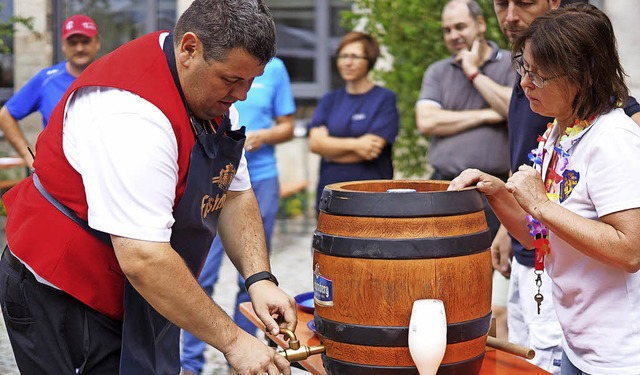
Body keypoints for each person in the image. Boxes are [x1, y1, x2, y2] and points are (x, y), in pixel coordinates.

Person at [0, 1, 297, 374]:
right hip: (63, 290)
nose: (243, 95)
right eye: (232, 80)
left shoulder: (211, 94)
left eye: (252, 80)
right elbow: (143, 258)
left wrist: (259, 279)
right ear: (189, 48)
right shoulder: (131, 113)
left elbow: (233, 192)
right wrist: (234, 342)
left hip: (140, 284)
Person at [449, 4, 640, 374]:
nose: (523, 84)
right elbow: (540, 239)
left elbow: (631, 250)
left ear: (580, 77)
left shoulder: (613, 139)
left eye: (538, 76)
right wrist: (498, 194)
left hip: (620, 353)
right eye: (523, 68)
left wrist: (540, 203)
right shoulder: (559, 131)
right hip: (578, 343)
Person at [180, 56, 296, 375]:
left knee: (254, 277)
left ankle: (244, 357)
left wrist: (264, 137)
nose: (241, 92)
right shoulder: (216, 65)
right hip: (216, 175)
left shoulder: (275, 69)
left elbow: (288, 126)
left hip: (261, 175)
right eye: (234, 81)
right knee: (201, 274)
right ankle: (190, 362)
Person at [415, 0, 515, 340]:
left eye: (460, 27)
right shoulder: (438, 71)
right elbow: (427, 120)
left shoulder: (512, 65)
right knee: (442, 286)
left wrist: (474, 73)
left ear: (480, 25)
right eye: (447, 30)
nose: (454, 36)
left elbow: (514, 108)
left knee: (494, 300)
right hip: (444, 193)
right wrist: (488, 115)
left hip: (494, 194)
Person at [308, 31, 399, 211]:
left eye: (355, 56)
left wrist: (330, 149)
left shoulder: (384, 99)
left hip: (372, 199)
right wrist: (357, 144)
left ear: (369, 60)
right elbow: (315, 144)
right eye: (343, 56)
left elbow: (371, 150)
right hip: (331, 197)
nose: (347, 62)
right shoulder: (329, 100)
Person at [0, 14, 100, 169]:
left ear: (97, 43)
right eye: (73, 43)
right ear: (63, 46)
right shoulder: (46, 80)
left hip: (101, 171)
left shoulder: (110, 78)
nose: (79, 48)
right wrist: (29, 157)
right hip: (59, 174)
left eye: (85, 41)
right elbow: (5, 116)